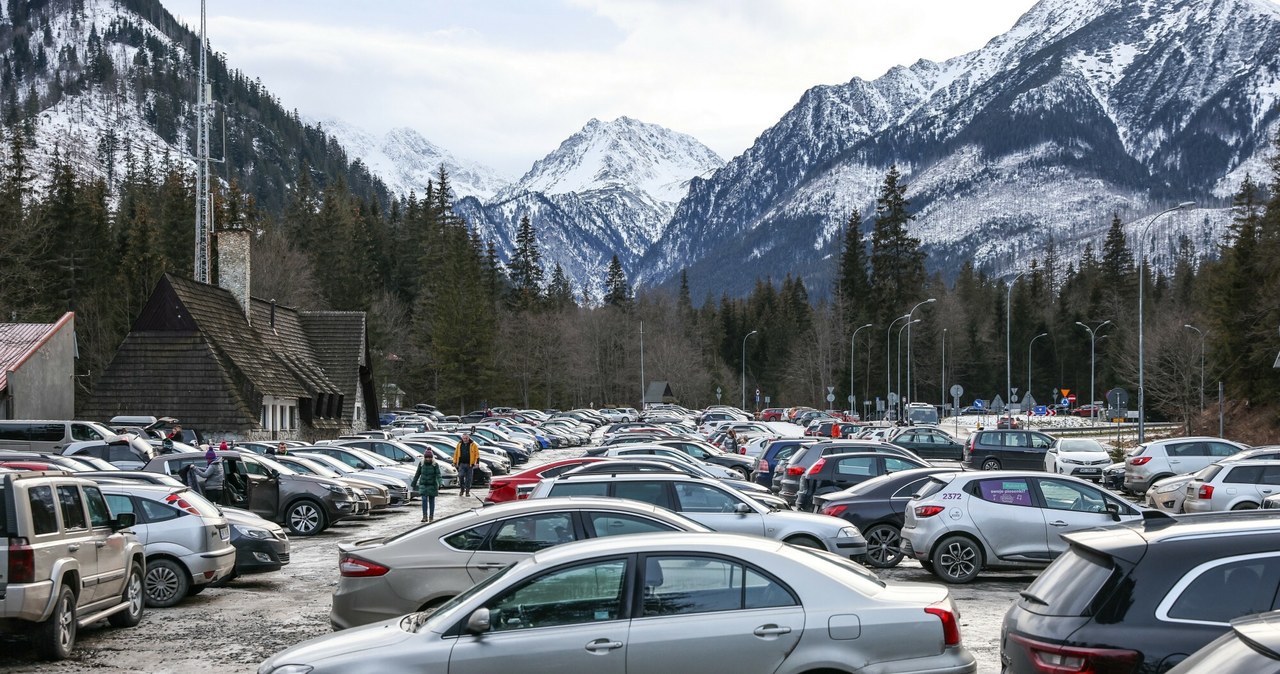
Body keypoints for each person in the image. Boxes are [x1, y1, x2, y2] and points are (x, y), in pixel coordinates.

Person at [411, 450, 443, 522]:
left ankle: (431, 516)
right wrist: (414, 483)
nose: (428, 459)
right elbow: (417, 474)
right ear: (424, 457)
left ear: (432, 458)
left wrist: (441, 482)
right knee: (424, 500)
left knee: (432, 501)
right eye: (427, 457)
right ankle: (424, 516)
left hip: (432, 485)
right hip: (423, 485)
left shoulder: (435, 464)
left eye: (430, 457)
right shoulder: (421, 464)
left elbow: (438, 474)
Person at [453, 432, 480, 497]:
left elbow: (477, 454)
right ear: (462, 438)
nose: (465, 439)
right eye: (464, 438)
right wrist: (454, 462)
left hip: (470, 464)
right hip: (461, 464)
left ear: (468, 438)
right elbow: (456, 453)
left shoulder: (473, 445)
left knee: (469, 479)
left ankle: (467, 491)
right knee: (460, 476)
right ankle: (462, 489)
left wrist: (477, 463)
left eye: (466, 438)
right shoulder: (459, 444)